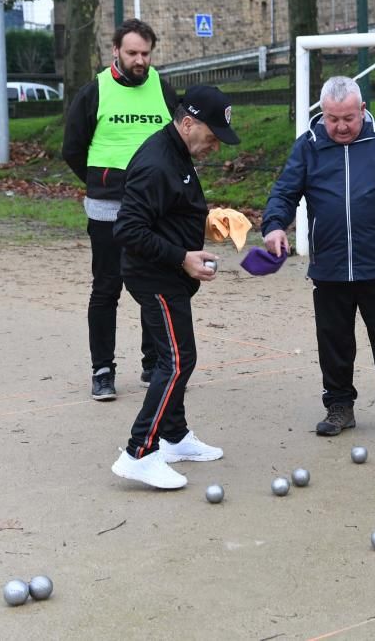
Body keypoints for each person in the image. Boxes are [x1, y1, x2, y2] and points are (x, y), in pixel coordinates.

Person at [261, 76, 375, 440]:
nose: (340, 126)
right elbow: (284, 192)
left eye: (348, 119)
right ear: (322, 113)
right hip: (330, 265)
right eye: (332, 118)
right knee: (334, 339)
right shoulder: (307, 146)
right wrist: (275, 226)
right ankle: (339, 406)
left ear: (362, 111)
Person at [109, 85, 240, 489]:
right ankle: (139, 452)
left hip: (168, 274)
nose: (215, 146)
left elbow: (166, 212)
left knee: (176, 358)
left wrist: (204, 225)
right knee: (177, 360)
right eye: (212, 136)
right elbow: (127, 229)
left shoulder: (176, 153)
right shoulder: (157, 162)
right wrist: (182, 257)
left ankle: (175, 436)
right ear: (187, 123)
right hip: (156, 278)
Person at [62, 19, 178, 402]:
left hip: (156, 209)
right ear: (116, 51)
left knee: (154, 286)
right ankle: (102, 371)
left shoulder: (163, 89)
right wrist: (104, 182)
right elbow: (73, 149)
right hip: (108, 208)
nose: (139, 60)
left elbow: (180, 141)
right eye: (132, 53)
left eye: (145, 53)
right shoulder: (94, 91)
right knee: (107, 288)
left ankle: (152, 363)